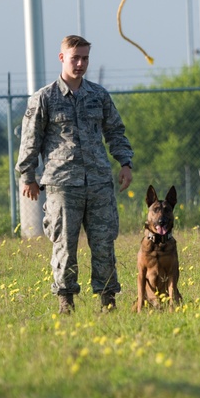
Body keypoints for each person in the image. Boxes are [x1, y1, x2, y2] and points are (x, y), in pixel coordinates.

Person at [17, 35, 133, 313]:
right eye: (75, 58)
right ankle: (65, 301)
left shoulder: (99, 95)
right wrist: (28, 176)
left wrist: (125, 163)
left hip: (99, 183)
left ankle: (108, 301)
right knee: (65, 246)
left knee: (104, 244)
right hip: (62, 184)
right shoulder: (45, 98)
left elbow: (115, 131)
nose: (80, 64)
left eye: (85, 58)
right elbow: (30, 140)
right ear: (62, 58)